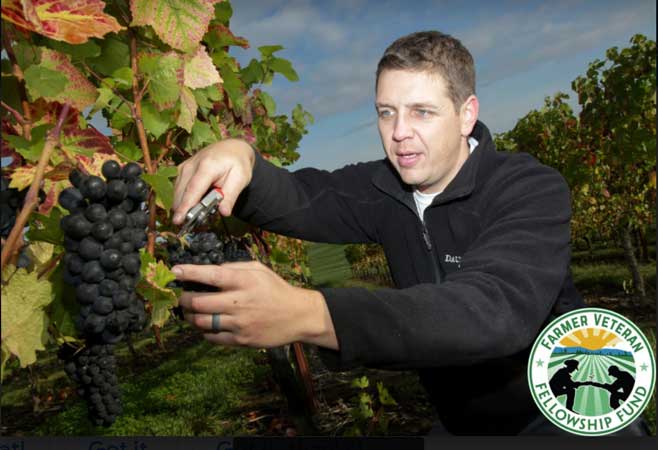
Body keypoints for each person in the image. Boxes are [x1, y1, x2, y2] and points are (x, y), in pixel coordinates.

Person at [171, 30, 590, 435]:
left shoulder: (529, 187)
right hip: (463, 423)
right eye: (386, 112)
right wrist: (243, 158)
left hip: (568, 412)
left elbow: (490, 310)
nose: (399, 131)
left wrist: (310, 314)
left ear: (466, 115)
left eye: (421, 112)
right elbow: (302, 196)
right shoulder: (386, 188)